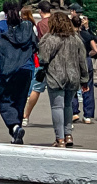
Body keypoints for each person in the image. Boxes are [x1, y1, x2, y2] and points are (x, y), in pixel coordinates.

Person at [38, 11, 90, 147]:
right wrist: (84, 79)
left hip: (55, 76)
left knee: (57, 106)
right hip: (73, 77)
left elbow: (43, 58)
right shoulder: (76, 39)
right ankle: (68, 135)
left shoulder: (49, 38)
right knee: (68, 106)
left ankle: (59, 138)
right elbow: (82, 61)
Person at [0, 0, 37, 145]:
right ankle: (16, 132)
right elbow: (36, 46)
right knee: (20, 100)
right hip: (26, 68)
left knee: (5, 100)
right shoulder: (28, 26)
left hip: (8, 69)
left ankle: (15, 126)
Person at [23, 0, 53, 126]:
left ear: (40, 11)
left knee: (36, 89)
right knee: (59, 92)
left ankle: (25, 116)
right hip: (58, 61)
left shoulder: (40, 25)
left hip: (43, 60)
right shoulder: (58, 22)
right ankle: (66, 118)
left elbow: (35, 42)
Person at [71, 15, 96, 124]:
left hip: (74, 61)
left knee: (72, 88)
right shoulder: (86, 35)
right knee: (88, 87)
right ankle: (88, 115)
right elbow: (95, 49)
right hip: (86, 61)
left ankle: (74, 112)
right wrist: (88, 54)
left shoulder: (71, 36)